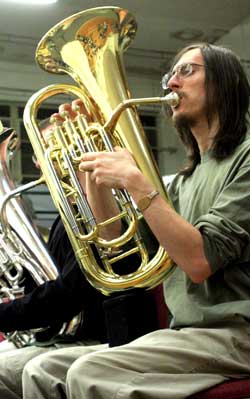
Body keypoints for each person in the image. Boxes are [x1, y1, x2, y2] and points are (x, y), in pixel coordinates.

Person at [21, 43, 250, 399]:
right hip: (187, 333)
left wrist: (138, 183)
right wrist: (92, 169)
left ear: (224, 83)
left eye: (188, 71)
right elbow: (122, 254)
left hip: (246, 335)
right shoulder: (184, 181)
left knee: (90, 374)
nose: (171, 84)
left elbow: (199, 262)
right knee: (42, 371)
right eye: (171, 74)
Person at [0, 122, 158, 399]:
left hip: (103, 336)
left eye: (62, 148)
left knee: (18, 370)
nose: (54, 157)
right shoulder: (65, 216)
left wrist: (5, 314)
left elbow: (69, 294)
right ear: (38, 162)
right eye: (46, 150)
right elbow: (50, 282)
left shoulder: (103, 210)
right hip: (68, 336)